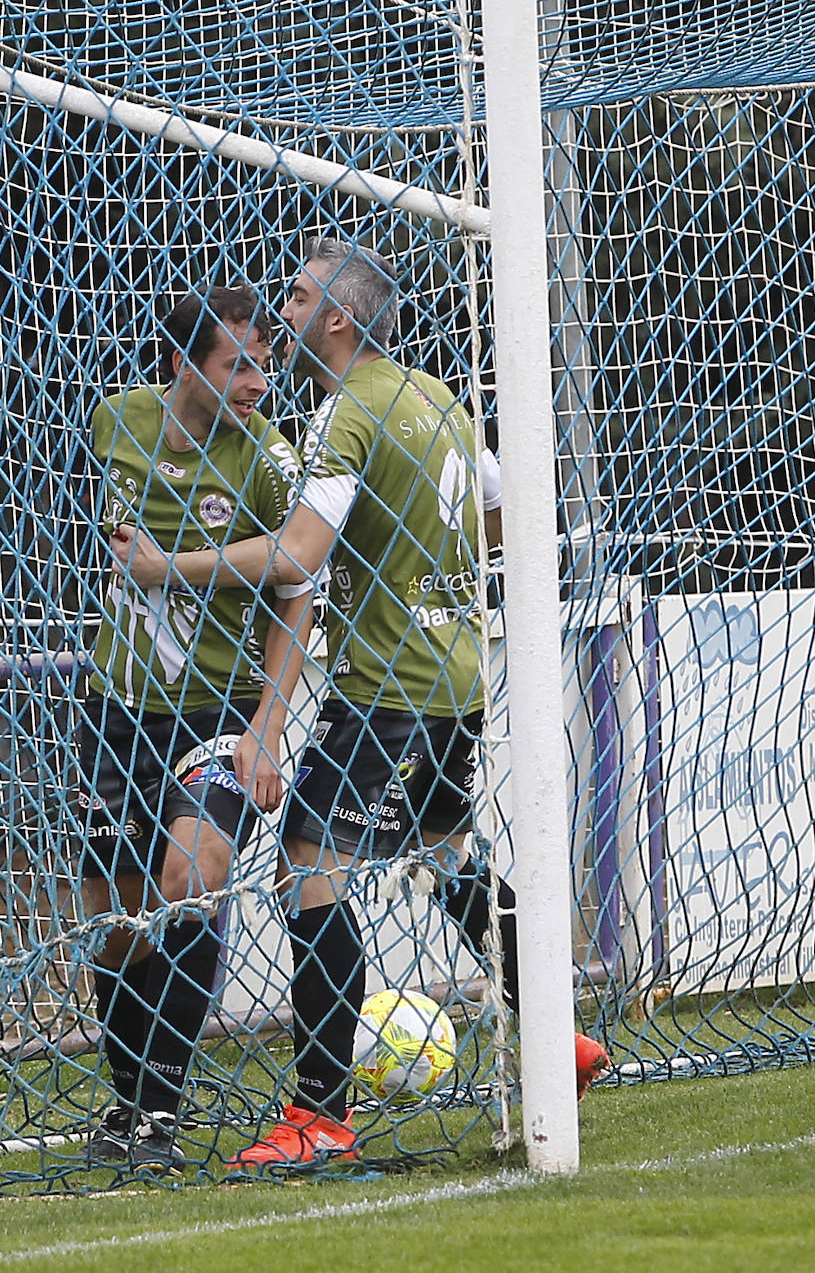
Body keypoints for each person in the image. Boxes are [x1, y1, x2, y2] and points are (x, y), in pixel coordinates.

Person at [114, 238, 609, 1171]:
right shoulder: (434, 398)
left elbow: (297, 557)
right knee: (444, 857)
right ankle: (559, 1044)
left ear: (336, 319)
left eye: (296, 301)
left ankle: (319, 1116)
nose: (280, 319)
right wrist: (412, 546)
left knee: (310, 863)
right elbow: (502, 509)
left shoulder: (346, 412)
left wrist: (162, 567)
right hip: (456, 675)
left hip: (391, 690)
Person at [79, 284, 314, 1177]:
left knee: (191, 877)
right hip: (116, 708)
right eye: (237, 364)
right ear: (182, 365)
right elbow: (113, 528)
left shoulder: (265, 456)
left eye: (264, 361)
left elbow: (296, 585)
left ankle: (161, 1116)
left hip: (217, 712)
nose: (257, 380)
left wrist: (266, 724)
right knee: (114, 919)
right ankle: (125, 1098)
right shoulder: (117, 420)